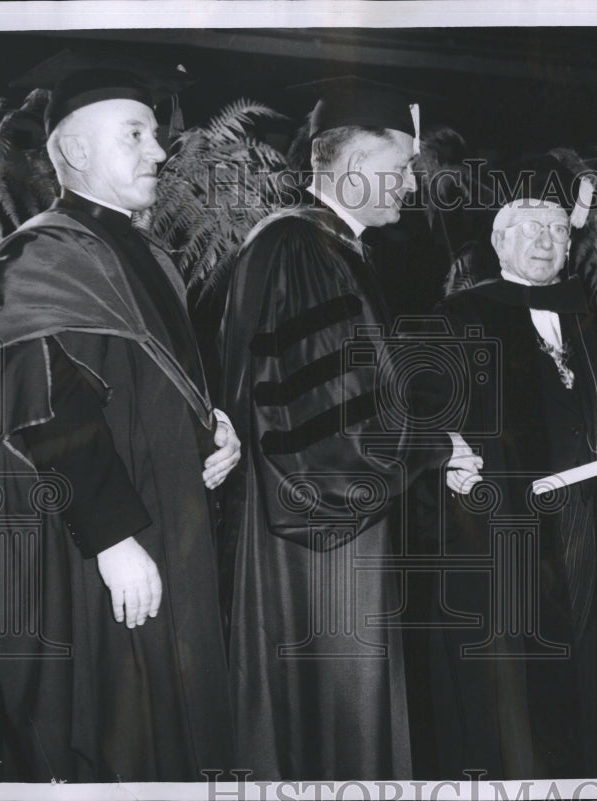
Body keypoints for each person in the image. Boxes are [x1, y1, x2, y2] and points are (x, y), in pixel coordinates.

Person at [0, 58, 239, 782]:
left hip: (168, 520)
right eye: (134, 134)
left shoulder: (145, 253)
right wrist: (111, 536)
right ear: (76, 151)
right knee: (123, 729)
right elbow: (41, 405)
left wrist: (215, 428)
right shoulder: (37, 255)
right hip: (98, 536)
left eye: (153, 135)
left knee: (180, 721)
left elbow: (147, 380)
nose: (159, 151)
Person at [219, 76, 480, 780]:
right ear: (357, 165)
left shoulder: (330, 248)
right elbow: (320, 422)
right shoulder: (300, 250)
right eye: (398, 170)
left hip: (322, 524)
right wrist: (431, 443)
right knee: (331, 715)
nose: (407, 188)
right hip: (315, 535)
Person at [417, 156, 597, 779]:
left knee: (585, 670)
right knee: (511, 687)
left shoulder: (586, 316)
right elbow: (421, 408)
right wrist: (446, 451)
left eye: (557, 229)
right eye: (529, 227)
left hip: (583, 525)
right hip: (501, 528)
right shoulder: (458, 315)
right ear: (500, 241)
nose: (545, 240)